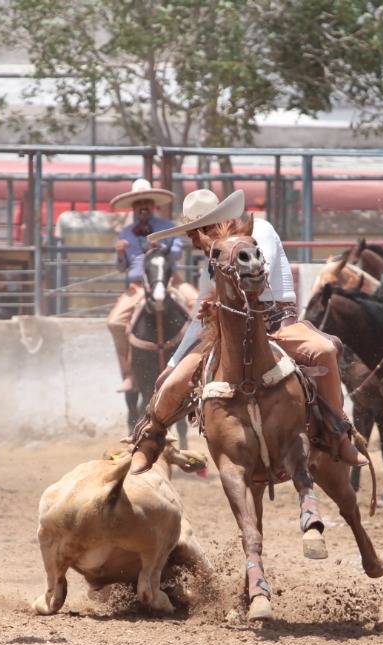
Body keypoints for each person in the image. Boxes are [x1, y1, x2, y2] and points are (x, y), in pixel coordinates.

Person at [128, 188, 367, 472]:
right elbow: (198, 320)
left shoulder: (258, 231)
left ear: (212, 227)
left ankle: (338, 433)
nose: (194, 242)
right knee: (171, 382)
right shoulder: (211, 263)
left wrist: (215, 304)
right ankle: (150, 439)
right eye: (192, 234)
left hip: (277, 326)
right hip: (228, 334)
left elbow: (257, 276)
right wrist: (172, 363)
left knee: (324, 349)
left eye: (196, 233)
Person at [107, 178, 185, 393]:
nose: (143, 206)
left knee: (201, 308)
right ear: (134, 207)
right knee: (115, 322)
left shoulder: (168, 227)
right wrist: (120, 254)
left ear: (153, 205)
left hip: (169, 282)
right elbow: (121, 267)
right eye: (138, 203)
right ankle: (129, 374)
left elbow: (178, 252)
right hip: (138, 287)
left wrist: (161, 245)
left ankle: (199, 368)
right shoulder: (126, 233)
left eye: (147, 202)